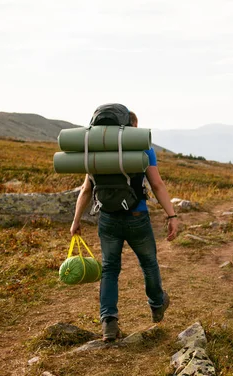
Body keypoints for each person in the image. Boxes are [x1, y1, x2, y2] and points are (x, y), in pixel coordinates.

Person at [70, 108, 180, 342]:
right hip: (137, 217)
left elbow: (86, 189)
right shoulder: (142, 148)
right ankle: (157, 304)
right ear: (132, 127)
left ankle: (109, 323)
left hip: (108, 218)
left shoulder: (95, 152)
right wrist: (171, 216)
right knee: (149, 264)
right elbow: (157, 184)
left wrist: (76, 220)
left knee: (110, 270)